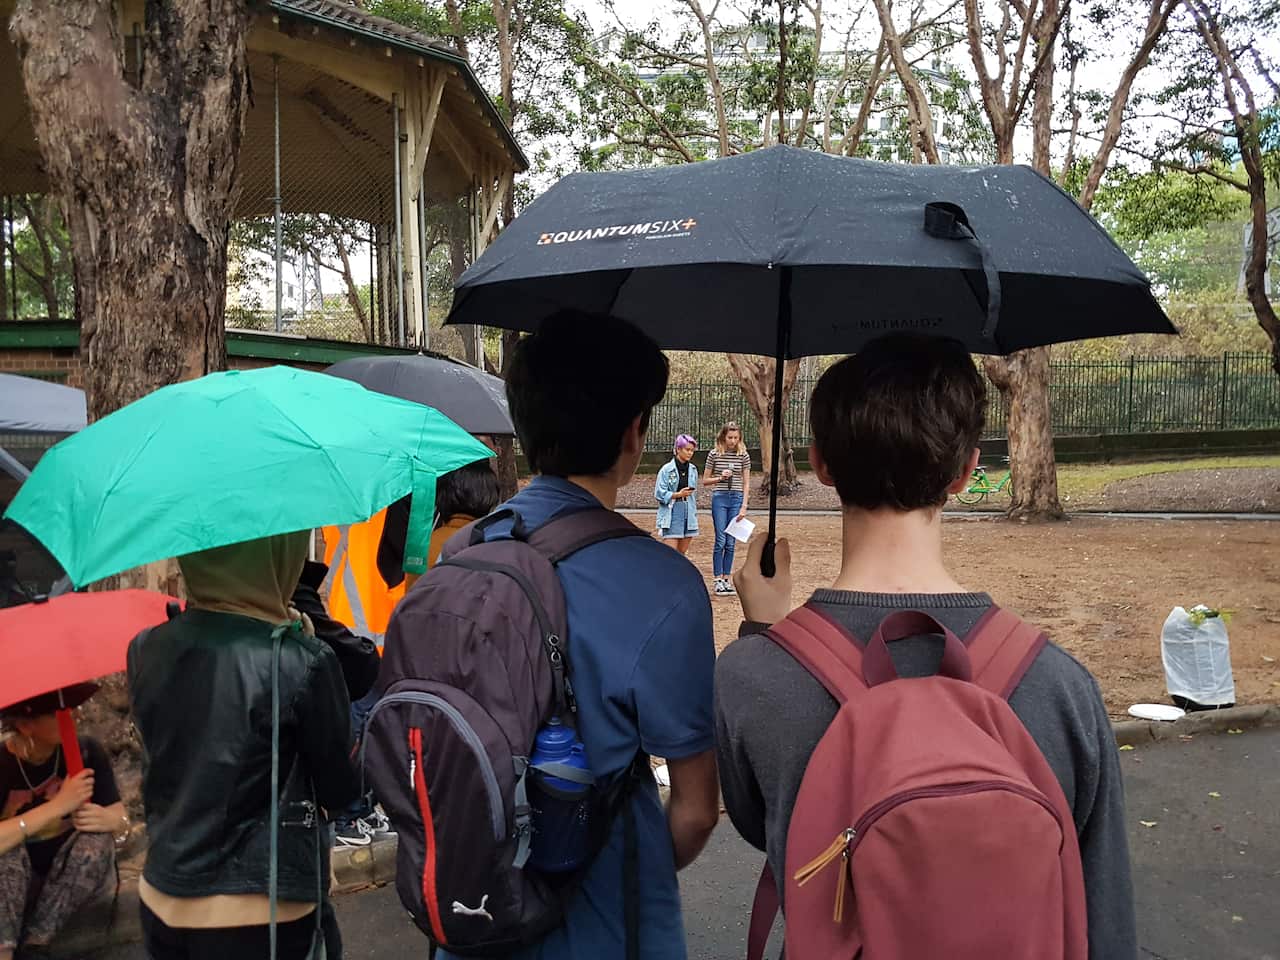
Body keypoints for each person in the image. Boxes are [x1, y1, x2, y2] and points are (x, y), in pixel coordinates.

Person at [715, 334, 1135, 959]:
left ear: (822, 463)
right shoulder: (1063, 687)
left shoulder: (749, 676)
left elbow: (770, 834)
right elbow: (1104, 919)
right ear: (967, 471)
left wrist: (769, 636)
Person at [436, 310, 719, 960]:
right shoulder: (664, 585)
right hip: (606, 925)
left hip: (476, 906)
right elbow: (698, 810)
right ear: (633, 434)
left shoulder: (464, 552)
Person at [128, 533, 360, 960]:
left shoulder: (145, 647)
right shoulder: (301, 659)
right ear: (278, 556)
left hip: (162, 892)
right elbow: (341, 790)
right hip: (259, 911)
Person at [1, 686, 124, 960]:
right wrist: (58, 806)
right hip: (14, 877)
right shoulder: (3, 763)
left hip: (63, 877)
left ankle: (36, 944)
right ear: (25, 725)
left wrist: (110, 818)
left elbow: (118, 812)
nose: (75, 715)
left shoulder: (85, 751)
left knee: (97, 841)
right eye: (61, 712)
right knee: (7, 853)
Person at [701, 422, 752, 596]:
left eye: (736, 438)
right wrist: (719, 478)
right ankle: (717, 578)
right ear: (723, 437)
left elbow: (746, 482)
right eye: (730, 437)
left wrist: (744, 506)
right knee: (720, 539)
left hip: (736, 498)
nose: (732, 441)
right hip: (720, 497)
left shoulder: (743, 455)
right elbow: (705, 480)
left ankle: (726, 578)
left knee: (731, 542)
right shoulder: (714, 454)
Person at [654, 435, 700, 555]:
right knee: (670, 553)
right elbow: (659, 494)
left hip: (688, 512)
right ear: (678, 449)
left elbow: (693, 493)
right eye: (687, 450)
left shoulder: (693, 469)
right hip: (672, 512)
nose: (690, 453)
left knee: (682, 552)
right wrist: (678, 494)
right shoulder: (666, 470)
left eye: (692, 450)